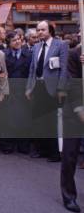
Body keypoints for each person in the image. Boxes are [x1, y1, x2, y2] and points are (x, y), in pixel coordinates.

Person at [25, 21, 68, 162]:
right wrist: (29, 88)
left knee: (51, 121)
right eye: (38, 30)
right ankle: (42, 150)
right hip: (38, 86)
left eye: (43, 29)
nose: (40, 32)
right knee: (39, 120)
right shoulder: (36, 47)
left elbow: (63, 69)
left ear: (50, 30)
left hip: (52, 88)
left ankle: (54, 153)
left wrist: (61, 88)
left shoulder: (60, 45)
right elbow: (32, 69)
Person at [60, 41, 84, 213]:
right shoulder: (74, 54)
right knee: (70, 156)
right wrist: (79, 107)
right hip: (75, 111)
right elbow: (71, 81)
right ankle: (69, 196)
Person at [2, 31, 32, 155]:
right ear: (8, 43)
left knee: (24, 117)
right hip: (9, 90)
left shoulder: (29, 54)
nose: (18, 42)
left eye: (19, 39)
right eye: (14, 40)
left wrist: (30, 88)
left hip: (24, 90)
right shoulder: (3, 55)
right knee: (8, 118)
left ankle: (23, 145)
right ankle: (8, 145)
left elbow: (32, 73)